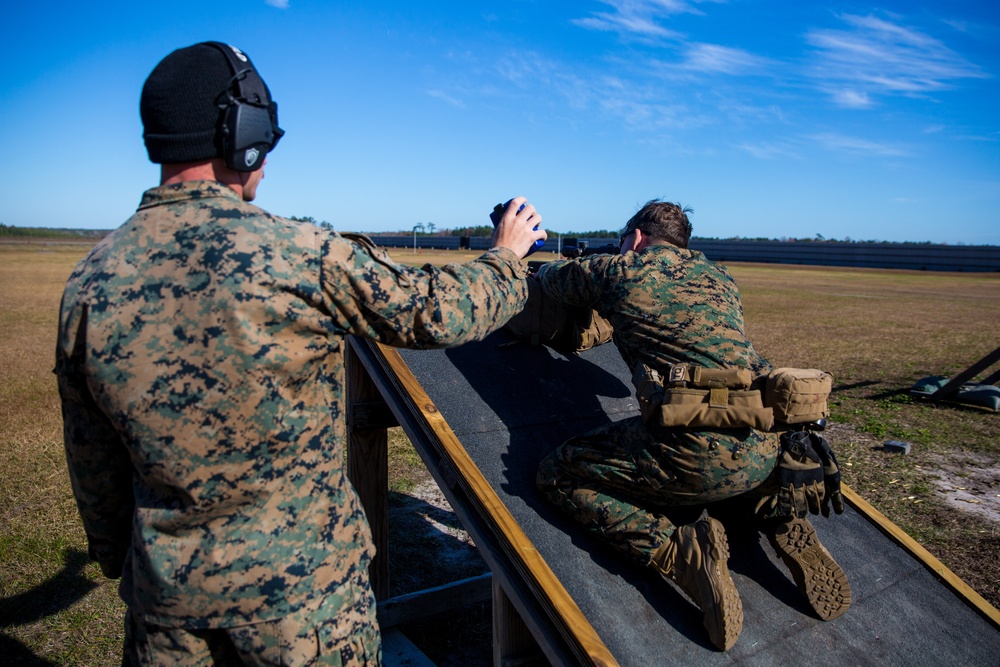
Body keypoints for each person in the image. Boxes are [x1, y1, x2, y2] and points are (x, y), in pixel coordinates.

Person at [55, 41, 545, 666]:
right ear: (246, 133)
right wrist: (506, 255)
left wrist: (131, 562)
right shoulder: (297, 253)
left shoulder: (90, 281)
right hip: (304, 613)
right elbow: (437, 311)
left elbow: (93, 465)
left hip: (167, 615)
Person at [534, 200, 849, 651]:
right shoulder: (720, 278)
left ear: (637, 238)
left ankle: (676, 551)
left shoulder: (618, 270)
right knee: (732, 471)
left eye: (625, 241)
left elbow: (549, 282)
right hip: (764, 448)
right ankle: (775, 510)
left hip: (691, 458)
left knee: (557, 473)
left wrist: (586, 264)